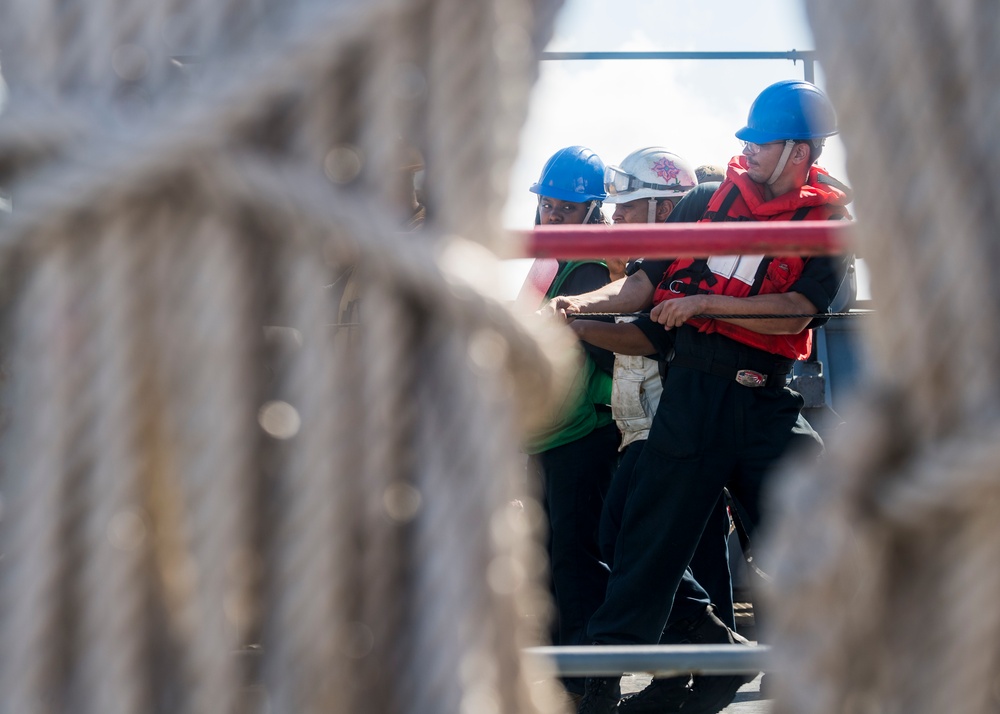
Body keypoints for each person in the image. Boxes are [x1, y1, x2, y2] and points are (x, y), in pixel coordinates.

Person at [553, 80, 853, 714]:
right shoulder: (700, 202)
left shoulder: (827, 222)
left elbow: (798, 312)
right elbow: (640, 287)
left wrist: (709, 302)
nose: (747, 150)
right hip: (696, 397)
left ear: (798, 152)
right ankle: (604, 689)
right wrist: (577, 304)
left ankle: (828, 668)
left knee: (816, 532)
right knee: (645, 549)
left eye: (761, 142)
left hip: (769, 404)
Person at [570, 148, 736, 634]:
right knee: (662, 544)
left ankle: (714, 661)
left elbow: (648, 335)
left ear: (666, 209)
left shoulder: (684, 270)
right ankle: (709, 659)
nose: (614, 216)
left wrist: (575, 323)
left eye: (628, 205)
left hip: (675, 429)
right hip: (648, 431)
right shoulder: (648, 269)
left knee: (679, 547)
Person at [520, 146, 622, 702]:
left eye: (565, 208)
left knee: (574, 560)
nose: (553, 217)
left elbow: (604, 350)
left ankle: (582, 682)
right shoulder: (554, 266)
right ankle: (565, 677)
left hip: (581, 434)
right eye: (548, 207)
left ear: (591, 211)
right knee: (552, 559)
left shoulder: (585, 268)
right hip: (550, 434)